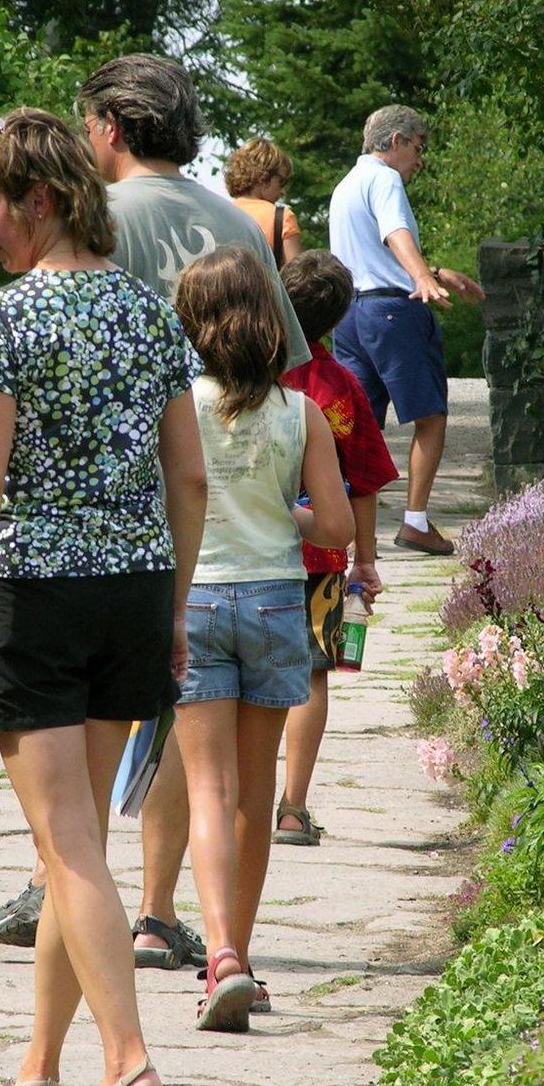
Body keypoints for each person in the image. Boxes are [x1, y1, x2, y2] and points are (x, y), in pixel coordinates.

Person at [0, 55, 306, 961]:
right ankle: (158, 908)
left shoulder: (98, 220)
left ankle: (61, 882)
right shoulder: (230, 216)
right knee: (170, 709)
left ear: (111, 128)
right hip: (216, 488)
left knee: (75, 716)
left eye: (91, 123)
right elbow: (289, 358)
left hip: (99, 501)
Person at [0, 107, 206, 1086]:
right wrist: (173, 610)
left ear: (40, 201)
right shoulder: (149, 314)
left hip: (36, 599)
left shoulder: (0, 320)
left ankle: (129, 1066)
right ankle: (38, 1071)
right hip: (134, 591)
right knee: (75, 846)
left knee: (70, 852)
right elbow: (186, 475)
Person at [171, 247, 353, 1028]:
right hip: (279, 602)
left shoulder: (176, 406)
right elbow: (338, 527)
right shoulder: (300, 412)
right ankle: (241, 955)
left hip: (198, 602)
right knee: (255, 794)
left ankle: (219, 959)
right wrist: (288, 513)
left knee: (205, 792)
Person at [274, 249, 397, 845]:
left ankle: (218, 802)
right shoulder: (340, 387)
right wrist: (366, 561)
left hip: (242, 555)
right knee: (311, 676)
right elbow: (366, 482)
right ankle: (293, 808)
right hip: (320, 560)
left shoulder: (243, 376)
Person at [327, 105, 484, 555]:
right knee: (430, 416)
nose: (420, 159)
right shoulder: (385, 178)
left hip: (351, 316)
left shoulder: (346, 186)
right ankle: (415, 522)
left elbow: (370, 253)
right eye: (418, 148)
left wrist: (433, 270)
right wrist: (421, 278)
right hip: (393, 314)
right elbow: (396, 233)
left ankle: (354, 536)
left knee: (359, 426)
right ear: (395, 141)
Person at [225, 138, 305, 266]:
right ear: (264, 177)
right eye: (281, 182)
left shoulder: (219, 214)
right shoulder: (281, 218)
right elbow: (299, 280)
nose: (283, 191)